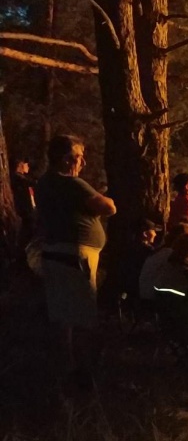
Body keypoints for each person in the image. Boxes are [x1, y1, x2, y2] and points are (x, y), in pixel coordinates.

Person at [34, 134, 116, 391]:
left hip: (55, 253)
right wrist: (103, 201)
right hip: (75, 256)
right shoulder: (71, 184)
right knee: (81, 316)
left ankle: (65, 369)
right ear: (67, 159)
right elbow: (108, 207)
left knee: (62, 315)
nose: (83, 161)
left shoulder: (44, 183)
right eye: (79, 156)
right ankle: (81, 373)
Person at [11, 157, 35, 250]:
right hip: (25, 213)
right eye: (26, 164)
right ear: (21, 165)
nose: (28, 167)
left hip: (27, 212)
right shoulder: (18, 178)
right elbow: (30, 183)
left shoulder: (20, 178)